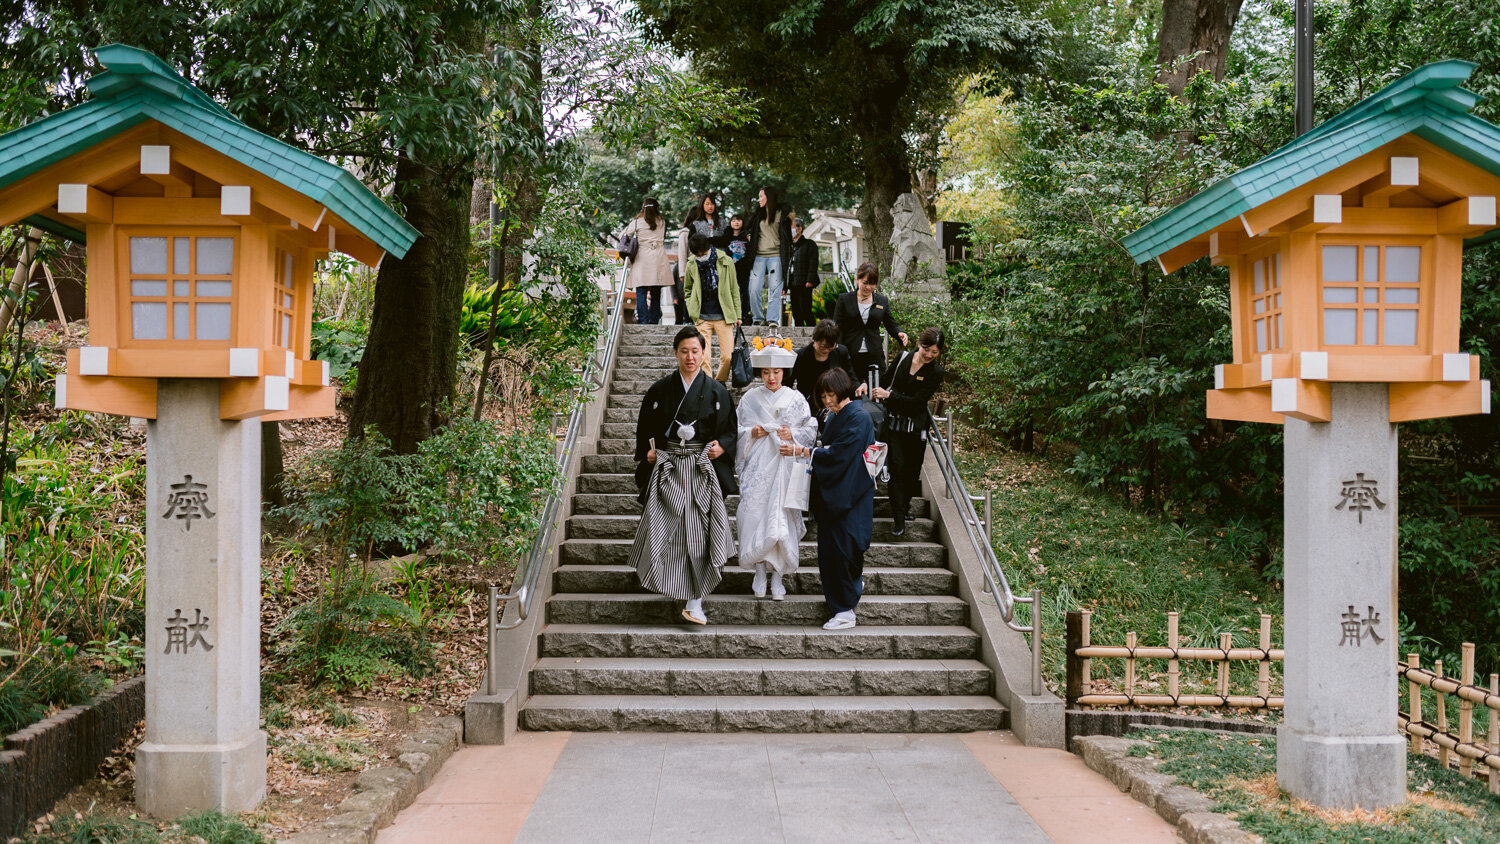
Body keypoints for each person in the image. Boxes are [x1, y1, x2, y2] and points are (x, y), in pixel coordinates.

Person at [629, 326, 739, 625]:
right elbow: (646, 429)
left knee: (700, 532)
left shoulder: (716, 390)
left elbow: (730, 430)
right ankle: (673, 584)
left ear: (704, 352)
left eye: (695, 351)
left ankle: (695, 599)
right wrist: (649, 452)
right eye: (684, 351)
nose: (690, 357)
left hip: (701, 469)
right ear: (675, 353)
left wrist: (721, 447)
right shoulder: (660, 390)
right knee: (668, 531)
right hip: (669, 469)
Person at [783, 368, 874, 630]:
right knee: (834, 552)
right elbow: (831, 451)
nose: (827, 400)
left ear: (843, 390)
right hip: (837, 492)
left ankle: (845, 610)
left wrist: (803, 450)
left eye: (831, 394)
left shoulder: (859, 417)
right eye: (823, 396)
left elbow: (841, 454)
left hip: (850, 493)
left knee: (844, 551)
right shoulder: (836, 417)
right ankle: (847, 597)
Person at [735, 343, 817, 600]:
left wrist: (792, 434)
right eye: (767, 372)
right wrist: (751, 433)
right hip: (759, 465)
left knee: (782, 518)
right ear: (760, 373)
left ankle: (778, 574)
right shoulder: (748, 399)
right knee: (755, 514)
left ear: (785, 373)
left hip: (784, 464)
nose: (771, 378)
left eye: (777, 372)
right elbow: (735, 430)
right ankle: (759, 570)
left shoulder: (796, 399)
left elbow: (810, 430)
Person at [871, 327, 946, 537]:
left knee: (912, 472)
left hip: (916, 427)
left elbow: (917, 403)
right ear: (918, 344)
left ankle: (904, 507)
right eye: (926, 349)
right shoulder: (903, 357)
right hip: (894, 424)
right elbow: (886, 380)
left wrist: (889, 396)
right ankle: (899, 519)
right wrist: (870, 388)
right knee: (896, 466)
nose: (929, 355)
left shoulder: (936, 372)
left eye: (935, 352)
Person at [682, 232, 742, 384]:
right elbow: (687, 289)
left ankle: (720, 381)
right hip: (702, 316)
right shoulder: (691, 264)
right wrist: (692, 308)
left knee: (728, 356)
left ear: (708, 248)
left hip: (724, 315)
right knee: (703, 357)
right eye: (697, 254)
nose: (700, 256)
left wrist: (738, 314)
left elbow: (734, 289)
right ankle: (708, 385)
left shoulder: (726, 261)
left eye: (702, 253)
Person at [835, 262, 908, 384]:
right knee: (851, 389)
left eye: (872, 284)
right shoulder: (844, 299)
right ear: (857, 279)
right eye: (865, 283)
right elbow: (837, 326)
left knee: (876, 391)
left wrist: (899, 333)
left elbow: (891, 324)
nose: (868, 287)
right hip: (850, 353)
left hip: (873, 353)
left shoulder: (882, 301)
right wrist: (839, 350)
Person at [788, 319, 853, 427]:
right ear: (814, 339)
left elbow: (851, 377)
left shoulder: (840, 352)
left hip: (835, 405)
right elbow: (788, 385)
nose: (827, 350)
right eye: (823, 346)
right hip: (809, 405)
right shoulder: (801, 357)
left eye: (831, 346)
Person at [747, 186, 793, 327]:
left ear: (769, 196)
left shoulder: (782, 214)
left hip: (776, 256)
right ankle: (758, 318)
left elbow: (788, 237)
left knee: (775, 289)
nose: (759, 199)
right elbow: (748, 229)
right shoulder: (757, 214)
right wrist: (748, 235)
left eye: (761, 196)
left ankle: (772, 319)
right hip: (759, 256)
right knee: (754, 288)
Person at [622, 198, 671, 324]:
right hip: (659, 257)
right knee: (656, 291)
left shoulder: (637, 222)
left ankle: (643, 321)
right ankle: (654, 320)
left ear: (643, 208)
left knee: (641, 291)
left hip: (642, 258)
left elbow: (624, 235)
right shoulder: (662, 221)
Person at [786, 217, 820, 327]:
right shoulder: (789, 246)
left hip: (804, 283)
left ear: (799, 229)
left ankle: (812, 333)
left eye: (791, 227)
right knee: (796, 311)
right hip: (792, 282)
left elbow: (813, 263)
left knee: (806, 310)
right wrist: (785, 286)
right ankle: (798, 332)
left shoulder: (809, 244)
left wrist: (810, 280)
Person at [724, 214, 753, 322]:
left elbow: (750, 252)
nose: (736, 222)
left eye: (739, 220)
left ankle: (744, 314)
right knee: (729, 290)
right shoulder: (727, 236)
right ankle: (730, 314)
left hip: (744, 268)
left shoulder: (746, 236)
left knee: (744, 291)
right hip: (730, 268)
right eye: (734, 220)